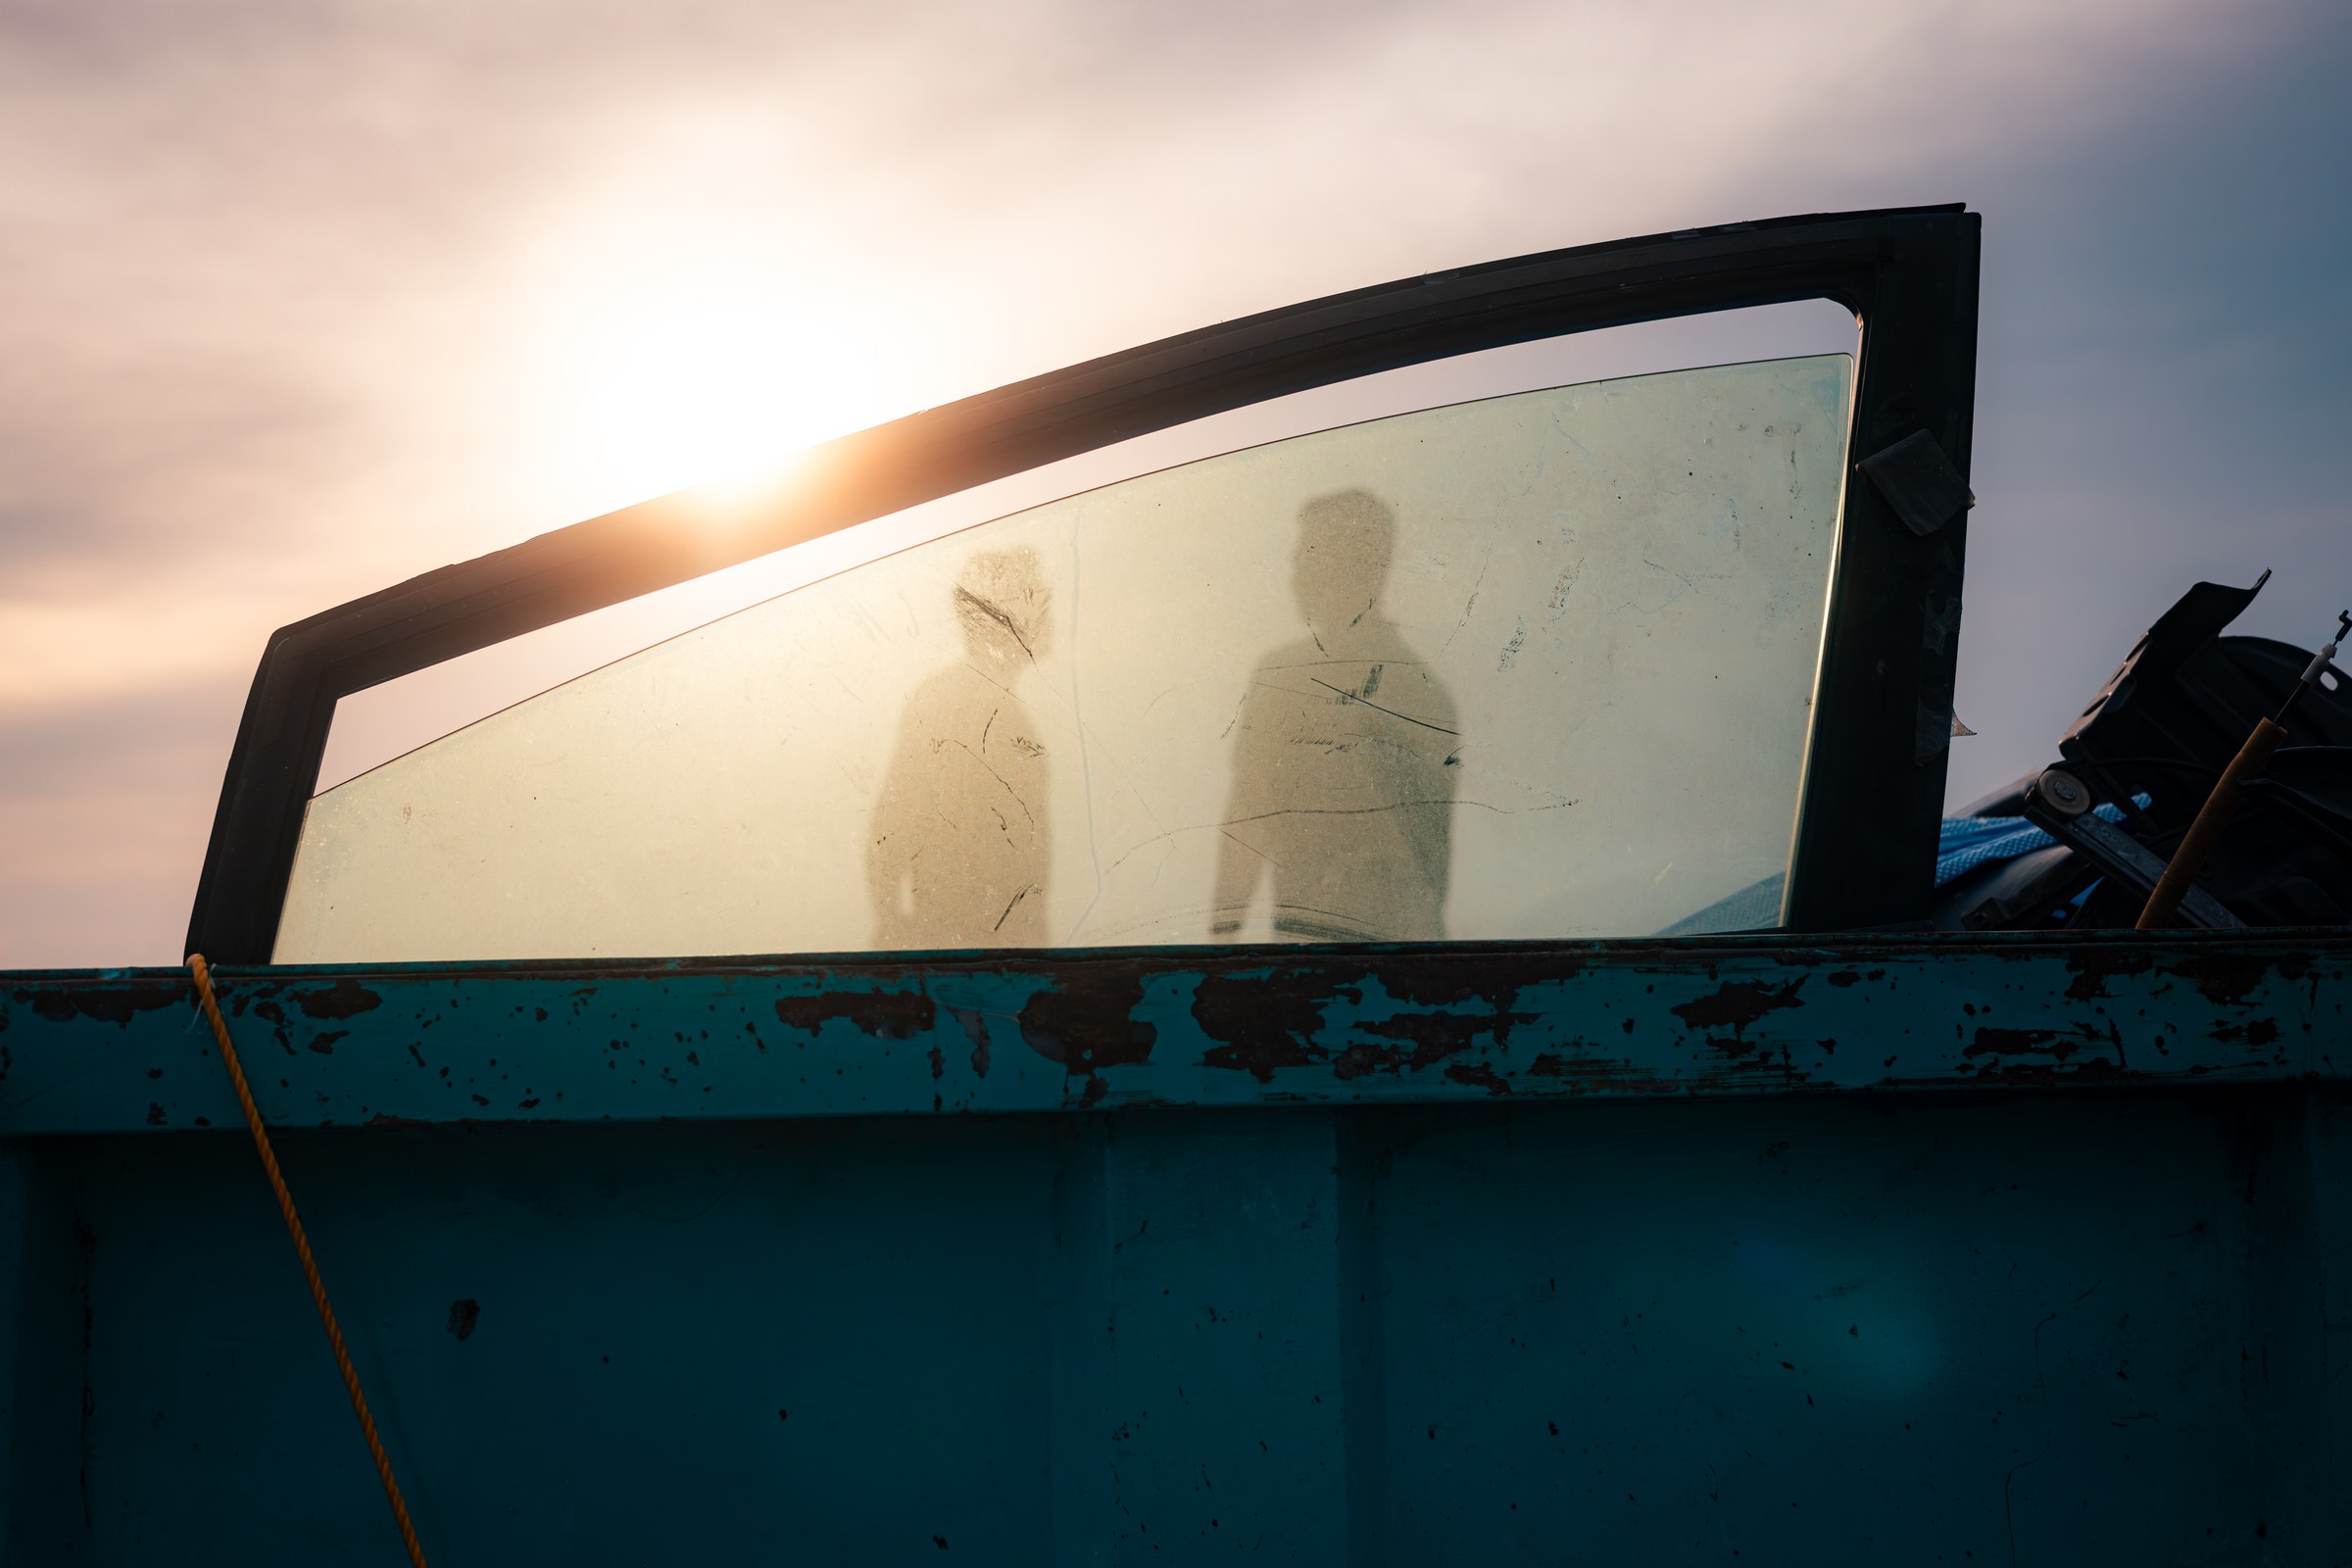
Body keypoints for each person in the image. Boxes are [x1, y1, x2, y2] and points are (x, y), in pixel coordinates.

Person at [1210, 488, 1456, 942]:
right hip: (1394, 966)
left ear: (1354, 565)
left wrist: (1217, 954)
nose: (1295, 576)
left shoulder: (1289, 678)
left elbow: (1247, 825)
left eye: (1308, 557)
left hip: (1326, 964)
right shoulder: (1424, 692)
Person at [867, 546, 1053, 948]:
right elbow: (893, 828)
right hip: (969, 956)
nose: (1047, 608)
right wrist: (896, 931)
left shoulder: (996, 705)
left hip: (994, 953)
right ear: (1004, 614)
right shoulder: (956, 702)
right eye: (1035, 595)